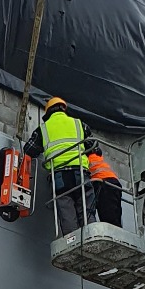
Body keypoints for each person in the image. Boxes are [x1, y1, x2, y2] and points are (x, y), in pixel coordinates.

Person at [23, 95, 96, 235]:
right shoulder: (78, 123)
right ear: (64, 109)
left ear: (48, 112)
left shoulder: (43, 129)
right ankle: (91, 236)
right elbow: (93, 147)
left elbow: (29, 150)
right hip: (80, 172)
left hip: (60, 176)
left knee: (66, 208)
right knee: (86, 207)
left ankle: (72, 241)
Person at [87, 148, 123, 227]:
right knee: (115, 215)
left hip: (104, 184)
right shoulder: (98, 157)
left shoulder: (86, 160)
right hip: (114, 183)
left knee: (108, 218)